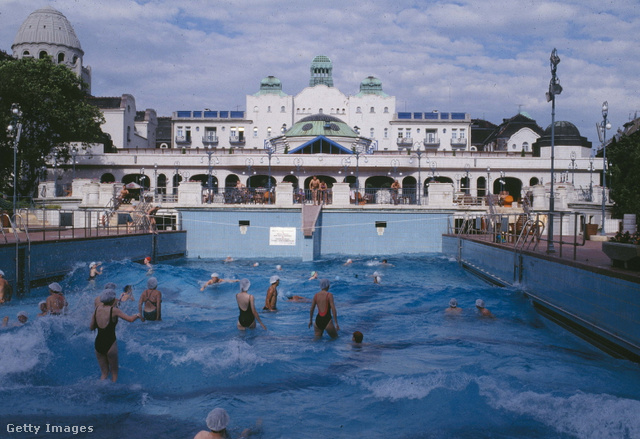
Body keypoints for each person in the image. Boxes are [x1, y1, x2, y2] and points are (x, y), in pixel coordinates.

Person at [90, 288, 140, 382]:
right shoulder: (114, 310)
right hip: (110, 344)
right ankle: (112, 395)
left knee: (104, 373)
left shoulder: (97, 309)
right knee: (114, 374)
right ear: (113, 299)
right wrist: (137, 315)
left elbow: (91, 327)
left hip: (98, 344)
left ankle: (101, 391)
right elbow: (130, 319)